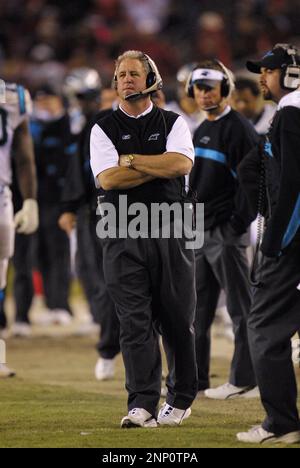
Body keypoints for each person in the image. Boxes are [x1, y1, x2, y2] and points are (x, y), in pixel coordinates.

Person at [90, 50, 197, 428]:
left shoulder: (173, 121)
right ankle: (142, 405)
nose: (126, 80)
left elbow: (181, 164)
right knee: (134, 322)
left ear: (151, 78)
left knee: (177, 319)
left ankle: (182, 397)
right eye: (120, 75)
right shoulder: (102, 126)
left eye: (134, 73)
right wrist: (157, 165)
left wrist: (131, 160)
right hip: (121, 232)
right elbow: (108, 179)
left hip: (171, 229)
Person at [236, 43, 300, 444]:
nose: (262, 77)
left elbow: (294, 187)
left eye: (269, 70)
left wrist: (275, 241)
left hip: (292, 242)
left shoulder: (292, 110)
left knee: (262, 327)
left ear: (290, 74)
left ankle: (282, 423)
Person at [186, 60, 260, 399]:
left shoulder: (238, 129)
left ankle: (244, 378)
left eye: (210, 87)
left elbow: (253, 184)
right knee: (197, 310)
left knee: (240, 310)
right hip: (202, 232)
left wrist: (236, 224)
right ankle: (196, 378)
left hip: (225, 233)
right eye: (198, 89)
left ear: (225, 89)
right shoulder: (203, 126)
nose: (203, 94)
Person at [59, 67, 121, 380]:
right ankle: (109, 347)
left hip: (128, 212)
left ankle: (111, 348)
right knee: (97, 278)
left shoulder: (116, 122)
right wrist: (71, 205)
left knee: (111, 281)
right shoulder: (93, 122)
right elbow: (81, 167)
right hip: (98, 210)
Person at [0, 81, 38, 376]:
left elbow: (24, 154)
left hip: (1, 194)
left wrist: (30, 200)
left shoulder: (14, 98)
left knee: (0, 280)